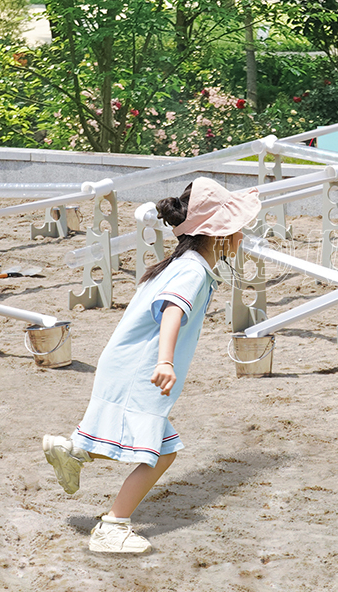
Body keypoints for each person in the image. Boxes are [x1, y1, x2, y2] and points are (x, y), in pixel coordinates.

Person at [42, 177, 260, 553]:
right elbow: (173, 311)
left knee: (158, 447)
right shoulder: (191, 271)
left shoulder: (185, 263)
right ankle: (113, 525)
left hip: (126, 365)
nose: (243, 237)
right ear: (219, 234)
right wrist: (165, 362)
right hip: (140, 371)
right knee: (160, 453)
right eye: (238, 229)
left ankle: (74, 450)